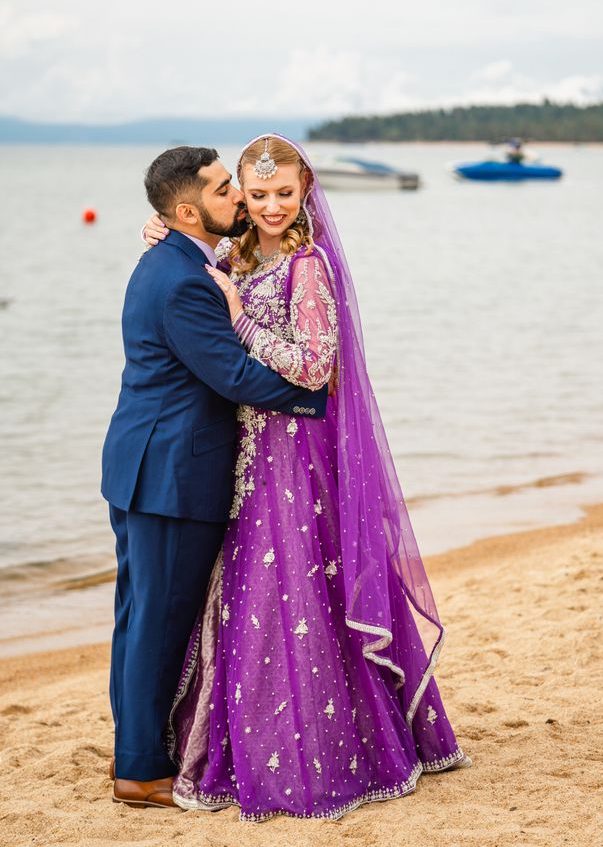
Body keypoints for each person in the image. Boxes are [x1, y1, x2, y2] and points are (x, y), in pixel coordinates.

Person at [143, 134, 469, 821]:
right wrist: (157, 230)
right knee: (250, 591)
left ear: (305, 190)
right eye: (255, 194)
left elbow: (314, 366)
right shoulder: (235, 255)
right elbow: (191, 257)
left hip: (299, 452)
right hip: (251, 451)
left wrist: (239, 320)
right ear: (237, 193)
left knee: (296, 586)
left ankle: (330, 751)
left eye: (282, 194)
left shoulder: (308, 267)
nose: (268, 206)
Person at [101, 145, 327, 808]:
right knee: (158, 622)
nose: (240, 197)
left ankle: (137, 750)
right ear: (188, 209)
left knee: (139, 617)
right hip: (173, 475)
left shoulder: (175, 257)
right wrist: (312, 398)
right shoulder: (185, 280)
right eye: (226, 189)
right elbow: (230, 374)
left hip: (145, 467)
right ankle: (141, 769)